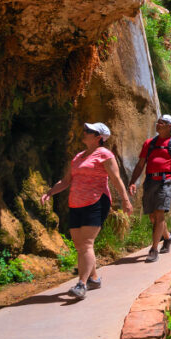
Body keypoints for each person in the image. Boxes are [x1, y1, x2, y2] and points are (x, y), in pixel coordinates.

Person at [40, 123, 133, 299]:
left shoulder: (105, 154)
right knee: (80, 246)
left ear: (98, 137)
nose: (84, 133)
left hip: (96, 202)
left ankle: (81, 284)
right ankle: (94, 279)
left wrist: (126, 201)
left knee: (86, 244)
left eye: (88, 131)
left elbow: (116, 178)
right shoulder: (79, 156)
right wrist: (50, 192)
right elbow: (66, 180)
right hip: (75, 204)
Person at [127, 114, 171, 263]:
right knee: (153, 216)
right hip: (150, 181)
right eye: (158, 122)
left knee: (159, 215)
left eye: (162, 123)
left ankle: (154, 249)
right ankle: (167, 237)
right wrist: (133, 181)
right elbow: (141, 164)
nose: (158, 124)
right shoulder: (149, 143)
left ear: (169, 127)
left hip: (165, 181)